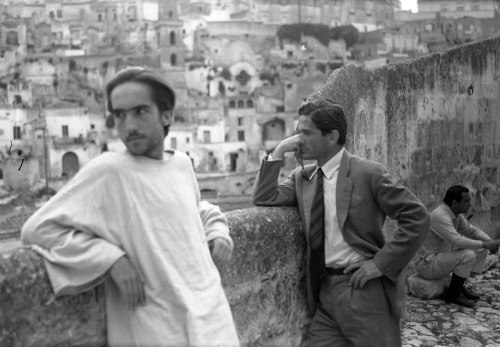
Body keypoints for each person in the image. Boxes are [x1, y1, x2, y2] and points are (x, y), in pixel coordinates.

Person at [21, 67, 240, 347]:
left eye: (140, 112)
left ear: (167, 115)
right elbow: (37, 230)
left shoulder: (182, 164)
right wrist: (109, 258)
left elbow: (191, 210)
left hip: (212, 317)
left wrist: (218, 229)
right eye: (120, 115)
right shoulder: (109, 170)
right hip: (157, 328)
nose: (129, 125)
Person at [252, 100, 430, 347]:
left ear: (332, 136)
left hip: (364, 290)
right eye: (297, 132)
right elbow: (264, 197)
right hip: (325, 295)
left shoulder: (368, 173)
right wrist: (279, 151)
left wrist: (380, 264)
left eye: (306, 132)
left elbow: (417, 217)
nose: (298, 140)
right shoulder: (305, 177)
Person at [415, 185, 500, 307]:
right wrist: (486, 244)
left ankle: (459, 287)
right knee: (469, 254)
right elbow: (457, 241)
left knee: (481, 250)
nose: (470, 205)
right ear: (454, 202)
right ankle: (453, 294)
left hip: (440, 258)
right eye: (466, 201)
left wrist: (490, 241)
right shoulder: (440, 216)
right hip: (426, 264)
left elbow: (472, 231)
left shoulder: (455, 214)